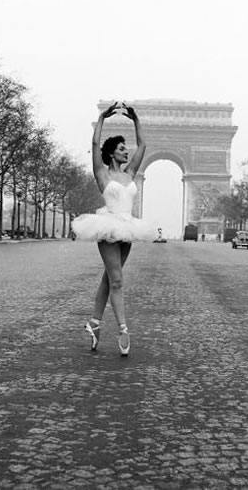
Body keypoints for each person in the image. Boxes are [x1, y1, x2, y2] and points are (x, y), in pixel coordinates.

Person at [72, 102, 155, 356]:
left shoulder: (130, 173)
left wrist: (135, 119)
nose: (126, 151)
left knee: (109, 278)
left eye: (126, 148)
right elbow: (95, 145)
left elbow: (143, 146)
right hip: (109, 228)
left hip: (128, 228)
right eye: (121, 148)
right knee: (117, 280)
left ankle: (94, 324)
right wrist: (101, 118)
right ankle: (123, 329)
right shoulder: (101, 173)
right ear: (111, 154)